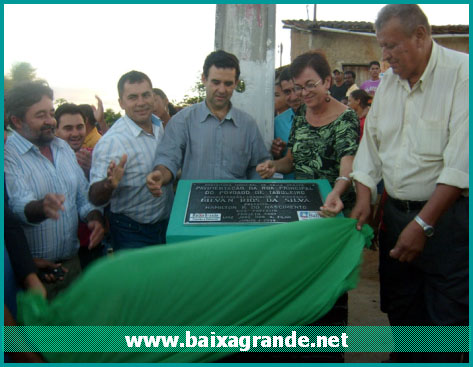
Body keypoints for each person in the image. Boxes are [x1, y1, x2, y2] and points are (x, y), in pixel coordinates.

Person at [350, 4, 468, 363]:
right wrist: (364, 195)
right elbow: (371, 149)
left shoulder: (463, 76)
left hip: (446, 222)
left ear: (420, 35)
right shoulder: (388, 83)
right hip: (396, 219)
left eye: (391, 46)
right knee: (402, 316)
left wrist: (423, 224)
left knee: (447, 326)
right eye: (380, 47)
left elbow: (461, 164)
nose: (384, 56)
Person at [4, 81, 105, 299]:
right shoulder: (8, 155)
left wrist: (94, 217)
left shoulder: (63, 148)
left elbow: (82, 196)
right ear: (17, 121)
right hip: (36, 275)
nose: (50, 120)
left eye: (51, 112)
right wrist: (41, 208)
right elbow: (18, 205)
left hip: (73, 265)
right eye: (41, 115)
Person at [146, 50, 271, 196]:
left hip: (236, 209)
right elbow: (168, 159)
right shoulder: (182, 121)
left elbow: (259, 166)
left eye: (228, 83)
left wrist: (257, 187)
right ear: (204, 79)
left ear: (236, 83)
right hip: (193, 208)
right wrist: (160, 175)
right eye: (216, 82)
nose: (222, 90)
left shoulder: (248, 125)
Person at [257, 51, 359, 217]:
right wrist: (273, 166)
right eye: (299, 87)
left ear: (327, 81)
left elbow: (347, 164)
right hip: (304, 209)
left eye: (310, 85)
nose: (304, 93)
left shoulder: (346, 117)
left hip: (333, 208)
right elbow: (291, 161)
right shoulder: (302, 113)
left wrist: (337, 192)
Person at [89, 71, 173, 251]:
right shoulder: (112, 142)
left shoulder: (159, 126)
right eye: (133, 97)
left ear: (153, 96)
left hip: (165, 226)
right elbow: (94, 197)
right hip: (132, 233)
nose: (141, 102)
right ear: (121, 103)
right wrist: (108, 184)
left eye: (146, 95)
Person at [272, 66, 302, 179]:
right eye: (287, 91)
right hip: (290, 189)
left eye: (297, 89)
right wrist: (277, 153)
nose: (293, 97)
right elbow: (287, 161)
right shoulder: (277, 123)